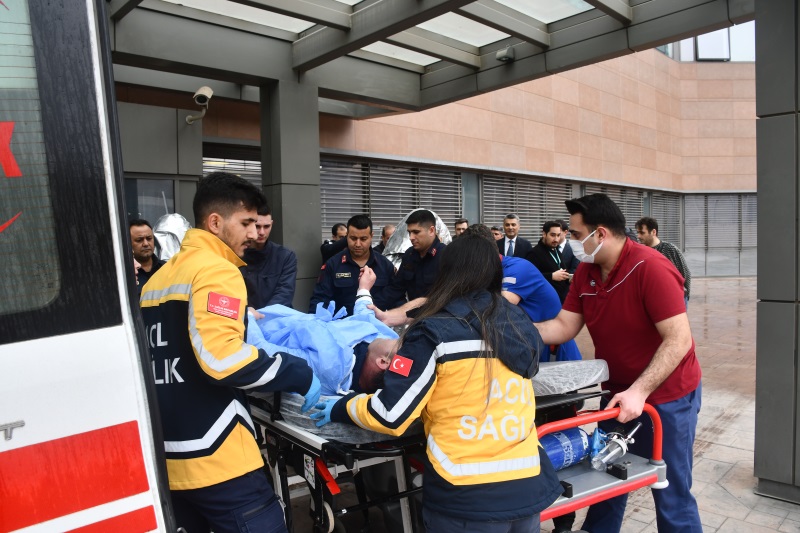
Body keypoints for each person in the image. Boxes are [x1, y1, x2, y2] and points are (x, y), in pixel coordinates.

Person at [311, 232, 563, 532]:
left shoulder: (433, 333)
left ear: (445, 273)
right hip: (527, 487)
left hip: (467, 499)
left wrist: (343, 406)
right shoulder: (518, 325)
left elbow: (390, 415)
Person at [140, 172, 320, 533]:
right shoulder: (216, 271)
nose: (254, 233)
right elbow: (222, 360)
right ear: (215, 222)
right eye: (246, 222)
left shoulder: (156, 281)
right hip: (218, 456)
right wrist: (297, 370)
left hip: (169, 457)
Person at [533, 193, 702, 533]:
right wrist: (511, 331)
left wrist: (640, 391)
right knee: (605, 474)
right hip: (617, 394)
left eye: (576, 235)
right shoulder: (587, 271)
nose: (571, 241)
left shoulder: (650, 267)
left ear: (600, 234)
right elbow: (564, 325)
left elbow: (678, 339)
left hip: (665, 395)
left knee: (670, 488)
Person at [248, 266, 398, 395]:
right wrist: (364, 289)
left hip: (258, 329)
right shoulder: (380, 343)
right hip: (281, 318)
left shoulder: (325, 367)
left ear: (383, 361)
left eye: (399, 342)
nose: (396, 337)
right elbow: (366, 317)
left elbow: (262, 352)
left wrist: (247, 318)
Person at [309, 214, 401, 316]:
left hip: (376, 323)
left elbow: (396, 299)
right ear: (347, 236)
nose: (357, 244)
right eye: (353, 238)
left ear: (371, 236)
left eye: (363, 239)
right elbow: (319, 301)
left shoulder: (385, 265)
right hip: (342, 324)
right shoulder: (333, 265)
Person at [380, 209, 446, 305]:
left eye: (416, 232)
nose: (411, 237)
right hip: (412, 312)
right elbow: (396, 289)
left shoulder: (446, 255)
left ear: (431, 231)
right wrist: (370, 304)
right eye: (409, 232)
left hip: (438, 312)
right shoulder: (409, 255)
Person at [240, 205, 297, 309]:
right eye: (257, 226)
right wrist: (247, 313)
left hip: (276, 316)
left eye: (266, 226)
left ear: (272, 224)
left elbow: (284, 294)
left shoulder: (285, 256)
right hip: (245, 316)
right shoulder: (235, 255)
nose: (262, 232)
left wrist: (261, 314)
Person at [636, 216, 691, 307]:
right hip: (653, 300)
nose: (638, 236)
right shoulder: (640, 252)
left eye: (642, 233)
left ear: (653, 232)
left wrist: (685, 296)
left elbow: (686, 273)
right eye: (638, 232)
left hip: (675, 298)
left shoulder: (670, 249)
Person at [527, 221, 571, 304]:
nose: (556, 239)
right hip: (545, 301)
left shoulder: (556, 251)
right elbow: (529, 277)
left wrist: (570, 277)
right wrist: (551, 276)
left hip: (561, 299)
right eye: (553, 235)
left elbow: (563, 272)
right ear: (544, 234)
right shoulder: (534, 253)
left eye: (558, 235)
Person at [130, 219, 165, 292]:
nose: (146, 244)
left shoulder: (166, 268)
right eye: (139, 240)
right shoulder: (125, 274)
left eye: (149, 239)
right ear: (128, 243)